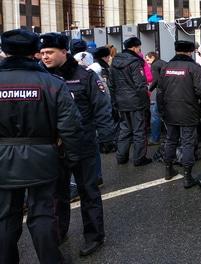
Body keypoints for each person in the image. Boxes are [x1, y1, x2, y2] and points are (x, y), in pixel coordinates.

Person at [0, 29, 83, 264]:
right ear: (35, 52)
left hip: (2, 159)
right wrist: (72, 157)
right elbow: (71, 125)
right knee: (43, 215)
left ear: (5, 51)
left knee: (5, 217)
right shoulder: (52, 83)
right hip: (43, 157)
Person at [40, 32, 115, 256]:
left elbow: (101, 107)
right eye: (42, 53)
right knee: (57, 193)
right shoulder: (42, 77)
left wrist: (106, 137)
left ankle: (94, 236)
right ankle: (59, 231)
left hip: (83, 145)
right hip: (54, 147)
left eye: (50, 52)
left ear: (64, 52)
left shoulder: (85, 76)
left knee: (88, 191)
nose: (45, 57)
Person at [157, 40, 201, 186]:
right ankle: (187, 177)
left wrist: (161, 109)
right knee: (187, 142)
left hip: (169, 111)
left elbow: (160, 91)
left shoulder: (166, 67)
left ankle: (168, 170)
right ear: (190, 51)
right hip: (188, 111)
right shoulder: (193, 67)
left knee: (171, 140)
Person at [109, 37, 152, 166]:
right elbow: (140, 85)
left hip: (121, 102)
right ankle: (139, 158)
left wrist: (115, 101)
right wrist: (145, 103)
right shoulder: (134, 62)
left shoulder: (115, 61)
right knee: (139, 131)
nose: (140, 51)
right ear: (134, 47)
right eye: (139, 48)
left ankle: (121, 157)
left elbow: (111, 85)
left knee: (125, 130)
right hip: (135, 102)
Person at [145, 51, 167, 145]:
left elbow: (156, 80)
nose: (147, 62)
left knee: (155, 115)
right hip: (170, 92)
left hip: (161, 93)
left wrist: (149, 89)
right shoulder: (164, 63)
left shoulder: (154, 65)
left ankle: (155, 138)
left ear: (153, 57)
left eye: (148, 59)